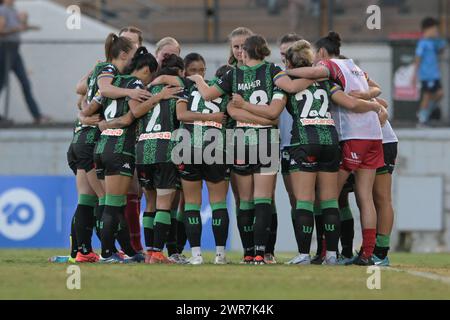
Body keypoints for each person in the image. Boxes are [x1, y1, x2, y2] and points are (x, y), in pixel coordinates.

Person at [189, 34, 310, 264]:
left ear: (245, 52)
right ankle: (261, 253)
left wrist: (197, 79)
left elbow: (208, 95)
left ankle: (247, 252)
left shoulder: (232, 74)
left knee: (244, 200)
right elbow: (275, 111)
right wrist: (263, 119)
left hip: (240, 139)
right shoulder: (274, 71)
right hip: (267, 139)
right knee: (263, 199)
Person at [278, 40, 387, 265]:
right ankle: (331, 255)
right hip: (330, 140)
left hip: (304, 139)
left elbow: (280, 102)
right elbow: (351, 103)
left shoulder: (282, 78)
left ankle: (304, 255)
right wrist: (375, 105)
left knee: (305, 201)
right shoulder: (328, 83)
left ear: (289, 62)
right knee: (330, 201)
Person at [87, 47, 159, 263]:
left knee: (111, 204)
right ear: (146, 69)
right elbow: (133, 114)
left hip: (101, 147)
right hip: (120, 148)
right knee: (113, 205)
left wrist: (85, 116)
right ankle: (107, 253)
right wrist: (159, 97)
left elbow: (89, 107)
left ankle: (126, 251)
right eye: (151, 75)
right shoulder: (134, 84)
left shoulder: (113, 83)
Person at [175, 63, 231, 265]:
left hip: (187, 144)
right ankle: (220, 255)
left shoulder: (189, 88)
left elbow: (180, 115)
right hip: (215, 145)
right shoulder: (228, 92)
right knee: (218, 202)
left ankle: (196, 255)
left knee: (191, 203)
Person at [135, 54, 185, 264]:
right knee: (165, 205)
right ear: (180, 71)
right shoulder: (178, 90)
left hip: (143, 150)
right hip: (165, 150)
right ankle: (156, 253)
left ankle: (149, 252)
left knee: (150, 204)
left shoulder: (146, 91)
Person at [0, 0, 49, 124]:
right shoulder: (3, 10)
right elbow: (1, 31)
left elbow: (18, 29)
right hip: (5, 49)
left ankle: (37, 116)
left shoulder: (13, 10)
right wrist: (18, 27)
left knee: (25, 83)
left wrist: (24, 22)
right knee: (1, 84)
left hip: (14, 50)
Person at [413, 17, 446, 126]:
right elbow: (418, 58)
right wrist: (415, 74)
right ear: (427, 29)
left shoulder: (433, 42)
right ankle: (422, 119)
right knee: (427, 96)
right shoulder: (422, 43)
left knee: (440, 94)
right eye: (434, 29)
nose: (436, 31)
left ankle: (425, 113)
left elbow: (441, 49)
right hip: (427, 75)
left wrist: (440, 39)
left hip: (435, 75)